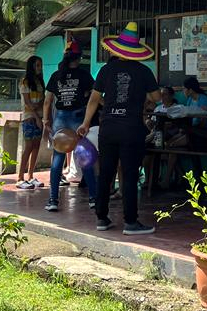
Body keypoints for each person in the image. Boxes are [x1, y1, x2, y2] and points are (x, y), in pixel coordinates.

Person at [79, 22, 160, 235]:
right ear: (136, 51)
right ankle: (131, 222)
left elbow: (94, 100)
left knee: (106, 173)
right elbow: (156, 98)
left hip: (108, 128)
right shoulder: (144, 71)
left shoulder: (106, 70)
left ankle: (102, 218)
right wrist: (144, 100)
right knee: (130, 175)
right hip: (131, 129)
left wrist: (86, 124)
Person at [42, 41, 97, 212]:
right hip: (78, 119)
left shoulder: (56, 75)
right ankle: (94, 198)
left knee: (57, 160)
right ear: (79, 58)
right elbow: (93, 96)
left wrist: (46, 122)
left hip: (60, 119)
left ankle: (53, 200)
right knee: (84, 158)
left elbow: (47, 102)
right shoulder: (84, 75)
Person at [17, 55, 46, 190]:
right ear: (31, 67)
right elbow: (28, 104)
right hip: (29, 117)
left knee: (36, 146)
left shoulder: (39, 82)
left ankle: (30, 175)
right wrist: (37, 118)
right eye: (37, 65)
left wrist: (40, 116)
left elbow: (42, 100)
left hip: (39, 116)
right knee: (28, 146)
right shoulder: (25, 82)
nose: (40, 68)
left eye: (40, 65)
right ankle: (20, 177)